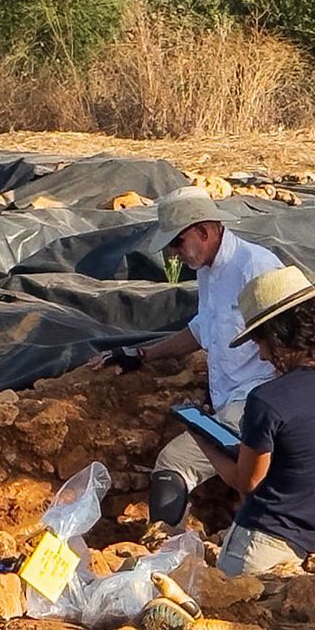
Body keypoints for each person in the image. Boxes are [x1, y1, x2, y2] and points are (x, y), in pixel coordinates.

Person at [96, 188, 283, 527]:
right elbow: (202, 330)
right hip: (232, 402)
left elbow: (288, 338)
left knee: (174, 463)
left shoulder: (254, 267)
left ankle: (165, 555)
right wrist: (142, 354)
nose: (173, 253)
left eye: (177, 242)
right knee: (249, 492)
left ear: (205, 230)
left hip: (256, 401)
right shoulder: (207, 270)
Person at [202, 266, 315, 576]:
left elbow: (247, 482)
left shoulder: (268, 398)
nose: (261, 355)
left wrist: (199, 434)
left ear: (280, 336)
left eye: (260, 342)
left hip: (265, 547)